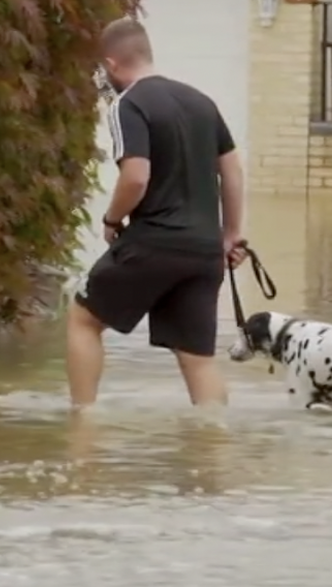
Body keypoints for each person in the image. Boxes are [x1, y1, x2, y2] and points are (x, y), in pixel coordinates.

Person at [66, 17, 247, 409]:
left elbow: (135, 178)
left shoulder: (127, 104)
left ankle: (82, 424)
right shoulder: (202, 102)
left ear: (112, 64)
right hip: (204, 252)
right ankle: (213, 449)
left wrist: (112, 220)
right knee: (198, 358)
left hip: (154, 242)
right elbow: (232, 171)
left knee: (83, 318)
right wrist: (230, 235)